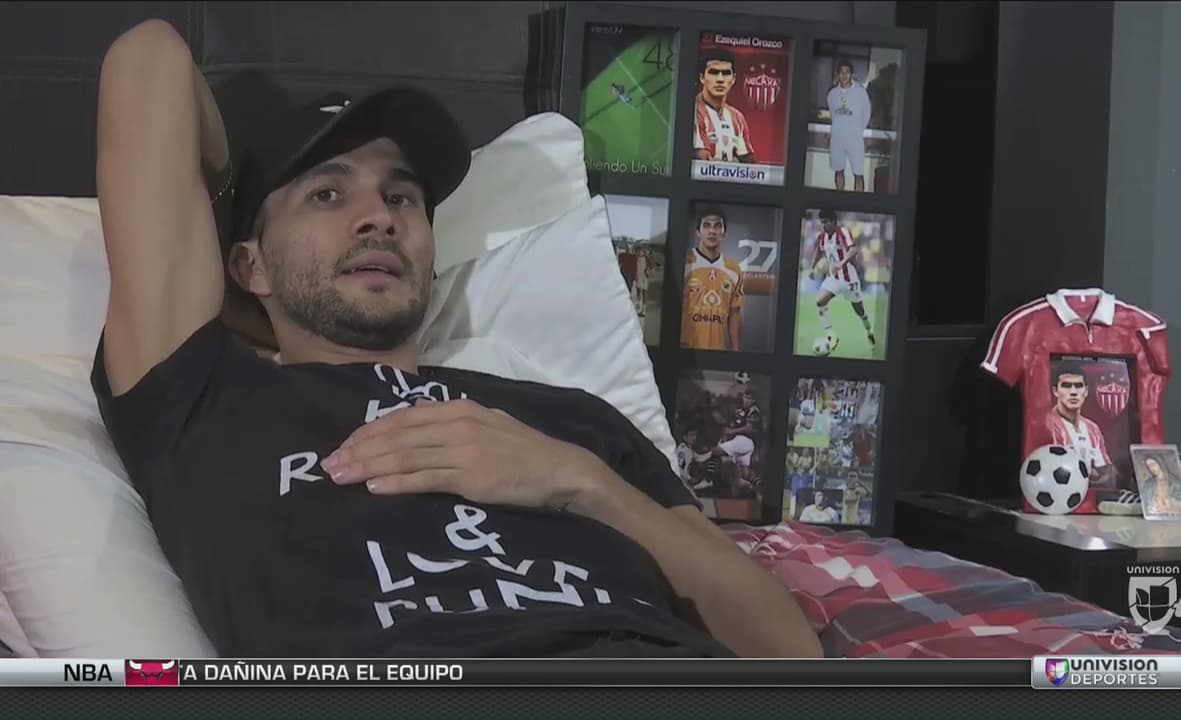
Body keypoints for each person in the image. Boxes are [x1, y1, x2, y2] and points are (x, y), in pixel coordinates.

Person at [90, 20, 820, 660]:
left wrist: (581, 483)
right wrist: (242, 285)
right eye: (327, 194)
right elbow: (149, 58)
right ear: (249, 265)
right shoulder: (207, 399)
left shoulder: (572, 421)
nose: (379, 217)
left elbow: (785, 649)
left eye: (401, 197)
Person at [808, 210, 876, 354]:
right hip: (833, 277)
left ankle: (869, 331)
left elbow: (853, 250)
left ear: (833, 222)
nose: (823, 225)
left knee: (859, 310)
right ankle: (831, 335)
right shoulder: (822, 236)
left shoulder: (842, 232)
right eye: (822, 222)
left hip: (849, 278)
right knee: (820, 301)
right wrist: (812, 268)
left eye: (826, 222)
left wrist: (842, 262)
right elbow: (819, 251)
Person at [681, 205, 745, 351]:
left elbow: (734, 314)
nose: (712, 231)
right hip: (685, 352)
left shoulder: (734, 269)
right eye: (706, 225)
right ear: (698, 232)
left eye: (717, 226)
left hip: (718, 354)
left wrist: (737, 354)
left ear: (724, 233)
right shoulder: (685, 263)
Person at [1046, 363, 1116, 487]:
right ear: (1055, 391)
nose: (1073, 392)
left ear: (1086, 391)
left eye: (1078, 386)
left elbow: (1107, 471)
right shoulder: (1048, 424)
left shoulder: (1093, 428)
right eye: (1066, 386)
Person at [693, 49, 755, 164]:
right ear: (702, 78)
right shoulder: (694, 111)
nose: (720, 79)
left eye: (726, 73)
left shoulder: (738, 117)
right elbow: (702, 161)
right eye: (714, 72)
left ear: (733, 79)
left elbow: (749, 162)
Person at [825, 60, 871, 192]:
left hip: (855, 139)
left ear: (852, 74)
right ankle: (839, 200)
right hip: (837, 139)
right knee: (838, 171)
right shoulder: (832, 94)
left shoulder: (861, 92)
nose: (844, 75)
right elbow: (833, 114)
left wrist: (857, 129)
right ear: (838, 75)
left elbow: (867, 113)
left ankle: (857, 202)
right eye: (841, 72)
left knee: (858, 173)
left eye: (847, 72)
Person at [714, 387, 763, 495]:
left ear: (753, 400)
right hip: (739, 441)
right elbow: (730, 425)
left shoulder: (754, 411)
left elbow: (749, 428)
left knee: (715, 451)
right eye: (745, 397)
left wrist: (731, 431)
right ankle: (758, 487)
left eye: (749, 398)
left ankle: (708, 477)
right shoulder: (739, 410)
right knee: (745, 473)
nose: (746, 400)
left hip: (745, 441)